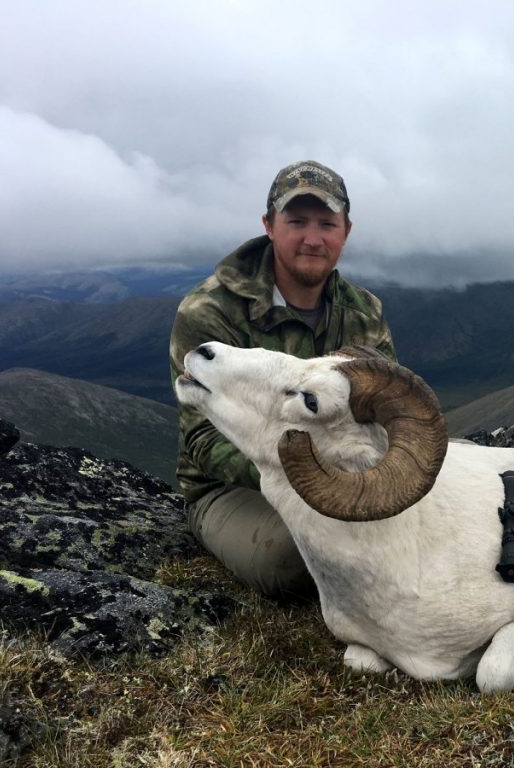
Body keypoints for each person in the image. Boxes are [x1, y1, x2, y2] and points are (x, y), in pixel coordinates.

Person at [169, 161, 395, 598]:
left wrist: (361, 477)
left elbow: (382, 411)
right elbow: (201, 438)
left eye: (327, 223)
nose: (313, 238)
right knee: (298, 557)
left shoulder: (365, 313)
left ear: (345, 231)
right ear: (269, 225)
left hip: (341, 475)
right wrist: (301, 475)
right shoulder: (208, 311)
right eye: (296, 222)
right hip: (234, 486)